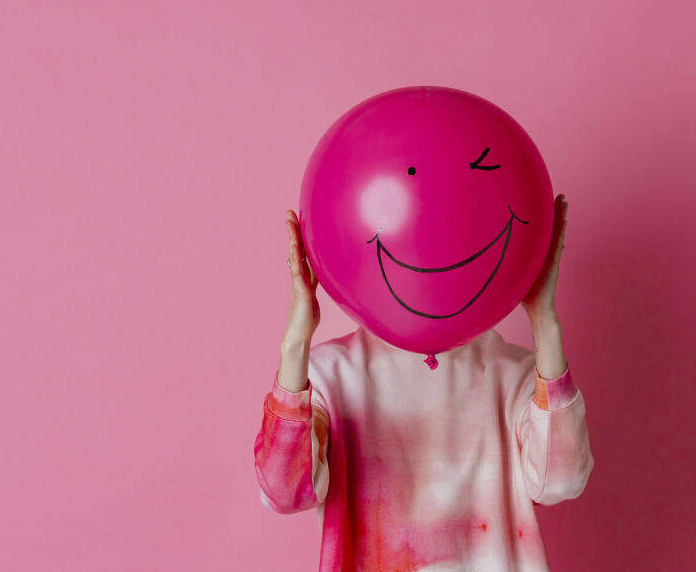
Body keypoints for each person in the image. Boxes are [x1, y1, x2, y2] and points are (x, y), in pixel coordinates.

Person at [254, 194, 593, 571]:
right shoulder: (328, 375)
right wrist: (295, 341)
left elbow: (561, 481)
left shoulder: (514, 373)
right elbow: (284, 492)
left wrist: (545, 323)